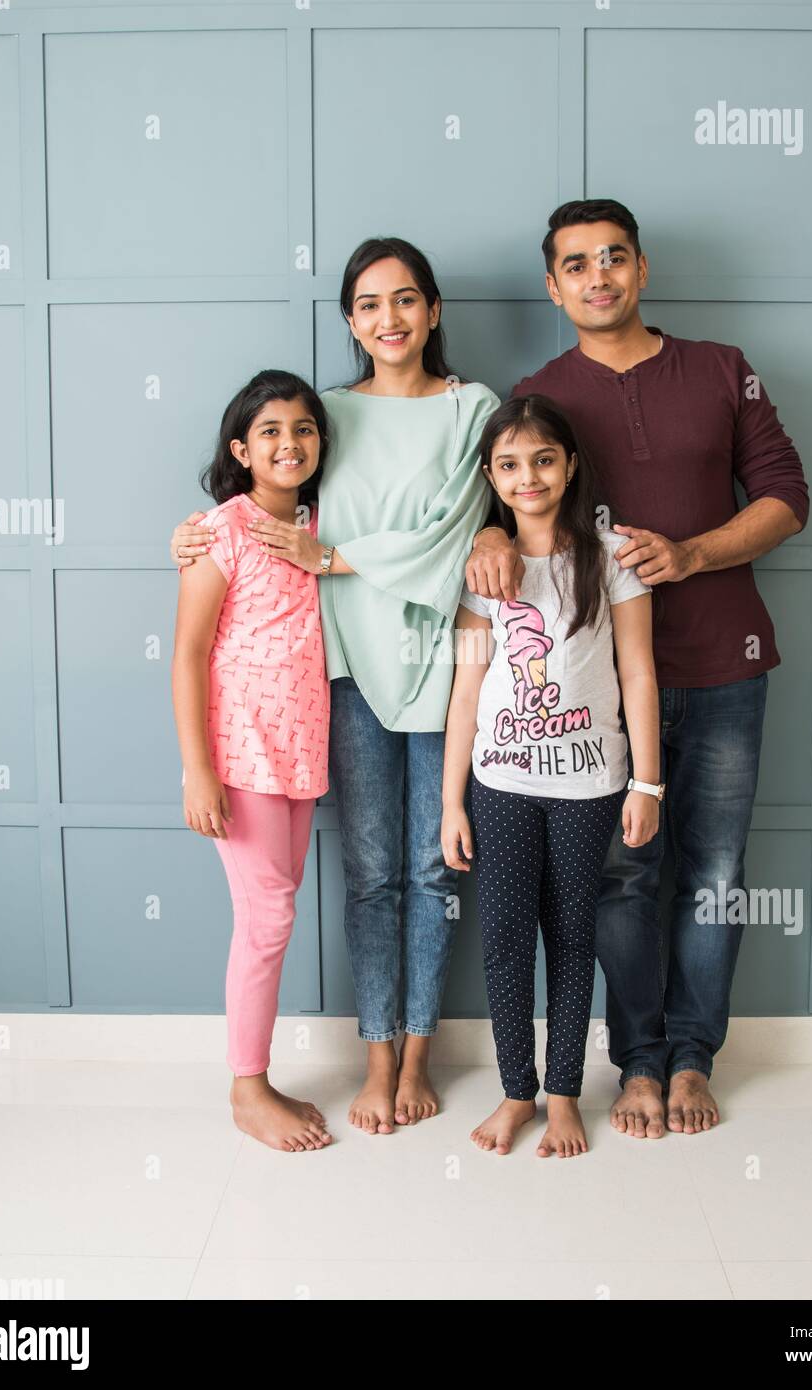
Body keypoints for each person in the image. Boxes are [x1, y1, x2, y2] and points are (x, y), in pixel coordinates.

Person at [466, 199, 810, 1138]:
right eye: (575, 265)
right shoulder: (543, 385)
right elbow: (507, 489)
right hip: (592, 703)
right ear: (553, 285)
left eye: (614, 258)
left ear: (642, 269)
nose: (598, 277)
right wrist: (492, 531)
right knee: (620, 880)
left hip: (724, 662)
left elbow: (787, 495)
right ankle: (638, 1064)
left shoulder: (720, 369)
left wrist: (695, 555)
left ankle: (694, 1059)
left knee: (713, 869)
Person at [171, 240, 498, 1134]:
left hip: (441, 665)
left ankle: (420, 1052)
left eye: (405, 299)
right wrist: (194, 532)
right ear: (350, 320)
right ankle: (377, 1052)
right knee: (368, 874)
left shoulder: (475, 409)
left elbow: (455, 530)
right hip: (343, 674)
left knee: (433, 867)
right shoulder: (328, 416)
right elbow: (265, 500)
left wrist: (339, 556)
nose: (387, 318)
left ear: (433, 309)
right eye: (367, 304)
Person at [442, 394, 660, 1158]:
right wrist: (450, 802)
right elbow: (466, 687)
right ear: (491, 477)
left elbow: (638, 672)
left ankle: (563, 1093)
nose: (527, 476)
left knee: (571, 935)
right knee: (504, 938)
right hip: (498, 784)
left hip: (591, 784)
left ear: (569, 465)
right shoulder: (483, 570)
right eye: (508, 464)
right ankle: (515, 1092)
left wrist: (648, 784)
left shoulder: (610, 557)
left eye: (542, 459)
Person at [171, 369, 332, 1152]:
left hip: (302, 754)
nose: (289, 443)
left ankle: (254, 1077)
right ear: (242, 449)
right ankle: (247, 1089)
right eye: (270, 431)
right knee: (266, 920)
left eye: (303, 428)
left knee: (277, 913)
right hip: (241, 757)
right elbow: (189, 651)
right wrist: (196, 768)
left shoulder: (317, 527)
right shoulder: (219, 530)